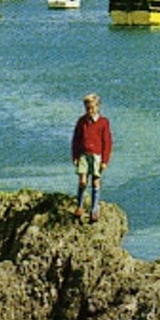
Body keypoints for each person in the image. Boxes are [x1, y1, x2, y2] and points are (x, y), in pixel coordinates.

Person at [70, 93, 113, 223]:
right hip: (83, 154)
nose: (90, 110)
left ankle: (94, 209)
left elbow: (107, 142)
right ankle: (80, 206)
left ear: (98, 107)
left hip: (96, 156)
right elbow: (75, 140)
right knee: (82, 180)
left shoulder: (103, 122)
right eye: (87, 107)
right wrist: (75, 156)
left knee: (95, 181)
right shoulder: (81, 121)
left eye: (92, 107)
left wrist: (105, 160)